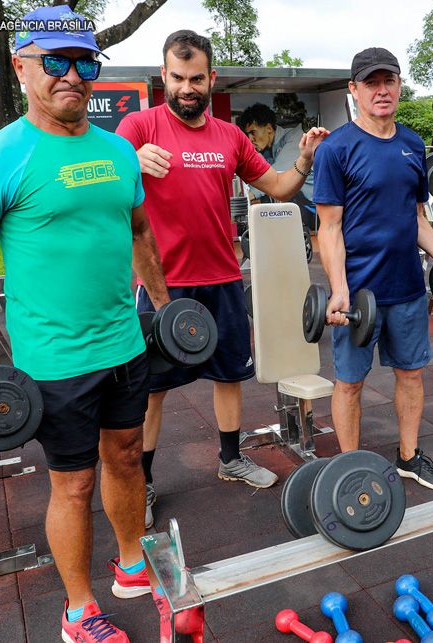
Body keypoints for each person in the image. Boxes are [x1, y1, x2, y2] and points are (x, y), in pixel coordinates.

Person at [0, 7, 177, 641]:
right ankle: (78, 612)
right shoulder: (1, 158)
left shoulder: (119, 153)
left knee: (127, 458)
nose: (72, 75)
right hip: (54, 362)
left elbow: (141, 232)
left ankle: (130, 565)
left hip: (124, 346)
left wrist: (167, 307)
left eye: (84, 62)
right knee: (72, 485)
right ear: (21, 65)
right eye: (55, 62)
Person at [115, 30, 328, 528]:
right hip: (162, 284)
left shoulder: (230, 137)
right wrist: (127, 161)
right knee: (152, 388)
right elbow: (101, 177)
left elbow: (277, 187)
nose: (187, 88)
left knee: (231, 374)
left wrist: (303, 159)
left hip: (222, 277)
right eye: (177, 78)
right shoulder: (138, 127)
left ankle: (231, 458)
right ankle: (144, 481)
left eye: (196, 79)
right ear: (162, 77)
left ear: (211, 79)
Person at [311, 47, 433, 491]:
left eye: (389, 81)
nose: (381, 90)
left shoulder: (412, 144)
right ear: (354, 91)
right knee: (349, 382)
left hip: (406, 287)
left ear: (400, 87)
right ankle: (349, 469)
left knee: (411, 374)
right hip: (357, 295)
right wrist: (338, 288)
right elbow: (328, 229)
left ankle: (408, 456)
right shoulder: (335, 150)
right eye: (371, 83)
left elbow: (416, 219)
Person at [236, 102, 317, 225]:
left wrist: (246, 197)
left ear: (269, 129)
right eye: (247, 135)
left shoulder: (295, 138)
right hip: (304, 207)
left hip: (318, 209)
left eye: (253, 132)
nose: (250, 139)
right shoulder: (268, 150)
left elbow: (276, 177)